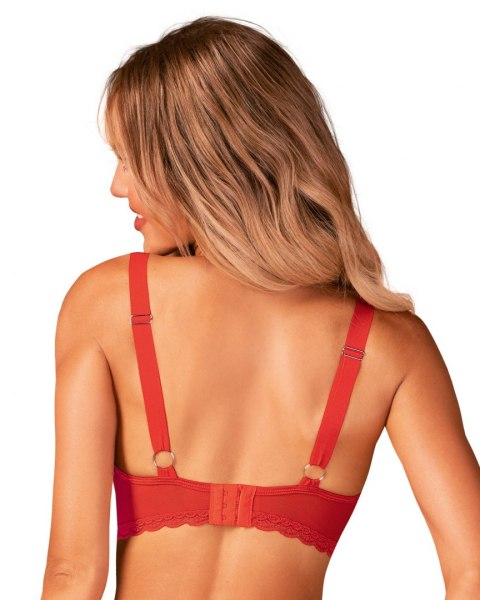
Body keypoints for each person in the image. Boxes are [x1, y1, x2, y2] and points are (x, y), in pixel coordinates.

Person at [40, 15, 480, 600]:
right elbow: (474, 569)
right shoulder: (391, 343)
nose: (118, 187)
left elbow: (72, 574)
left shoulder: (106, 301)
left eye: (131, 159)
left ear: (201, 163)